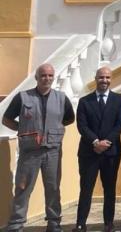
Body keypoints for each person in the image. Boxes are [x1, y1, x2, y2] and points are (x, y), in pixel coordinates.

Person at [3, 63, 75, 232]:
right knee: (22, 188)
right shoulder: (23, 97)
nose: (47, 79)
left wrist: (54, 129)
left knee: (53, 188)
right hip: (30, 152)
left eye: (50, 75)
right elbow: (6, 119)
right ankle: (16, 225)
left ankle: (54, 223)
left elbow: (69, 119)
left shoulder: (61, 98)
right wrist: (22, 130)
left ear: (54, 77)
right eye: (43, 75)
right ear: (36, 78)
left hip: (53, 151)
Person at [75, 66, 121, 232]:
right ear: (95, 79)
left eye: (107, 77)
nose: (104, 80)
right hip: (89, 152)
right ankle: (81, 223)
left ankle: (108, 223)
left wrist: (106, 142)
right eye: (101, 77)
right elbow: (82, 126)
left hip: (111, 153)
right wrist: (96, 142)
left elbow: (120, 124)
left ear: (111, 79)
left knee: (109, 188)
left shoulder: (119, 99)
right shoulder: (85, 101)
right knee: (86, 188)